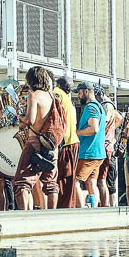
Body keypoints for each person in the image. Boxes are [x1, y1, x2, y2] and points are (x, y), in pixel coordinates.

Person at [12, 66, 62, 211]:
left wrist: (20, 118)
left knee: (22, 183)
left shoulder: (34, 95)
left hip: (35, 143)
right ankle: (52, 217)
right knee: (51, 184)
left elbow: (30, 120)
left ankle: (25, 216)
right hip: (51, 145)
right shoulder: (52, 96)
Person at [72, 82, 106, 207]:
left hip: (88, 153)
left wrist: (77, 132)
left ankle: (79, 210)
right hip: (98, 153)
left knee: (75, 182)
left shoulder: (90, 107)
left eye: (80, 93)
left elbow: (94, 128)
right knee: (92, 182)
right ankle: (94, 210)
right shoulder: (100, 107)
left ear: (87, 92)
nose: (79, 96)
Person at [53, 75, 79, 208]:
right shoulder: (67, 98)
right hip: (72, 140)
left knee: (62, 178)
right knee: (69, 180)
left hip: (65, 142)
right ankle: (69, 206)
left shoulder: (57, 94)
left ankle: (62, 207)